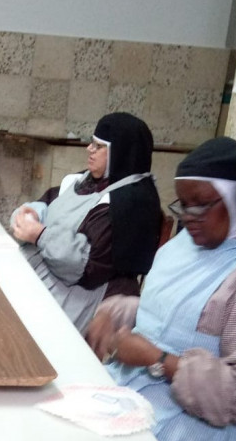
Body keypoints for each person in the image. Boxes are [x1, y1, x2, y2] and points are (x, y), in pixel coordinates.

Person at [86, 137, 236, 441]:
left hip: (216, 427)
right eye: (183, 204)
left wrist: (158, 360)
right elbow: (170, 316)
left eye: (199, 204)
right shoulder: (187, 247)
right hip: (146, 392)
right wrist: (112, 314)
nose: (188, 216)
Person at [10, 112, 162, 333]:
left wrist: (40, 235)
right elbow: (50, 202)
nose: (89, 149)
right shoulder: (84, 180)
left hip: (80, 293)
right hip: (48, 273)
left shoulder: (129, 202)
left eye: (99, 146)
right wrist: (32, 212)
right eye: (92, 142)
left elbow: (83, 267)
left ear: (119, 153)